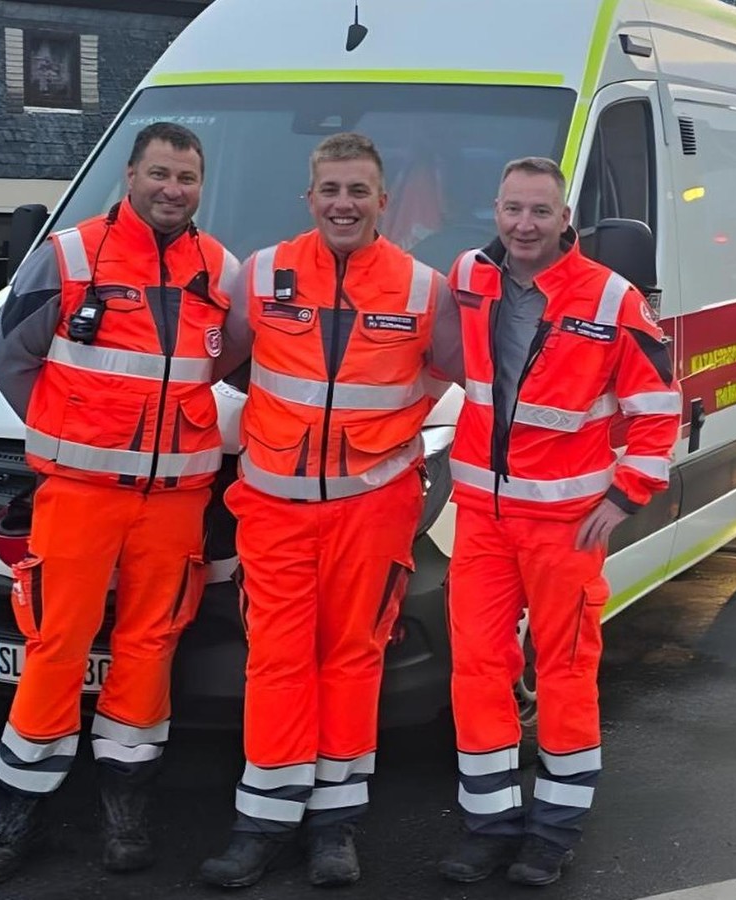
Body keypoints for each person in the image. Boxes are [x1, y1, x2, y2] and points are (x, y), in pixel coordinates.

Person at [0, 122, 246, 884]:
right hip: (80, 497)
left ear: (200, 187)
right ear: (129, 176)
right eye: (159, 173)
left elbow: (227, 368)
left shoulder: (219, 271)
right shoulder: (69, 257)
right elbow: (10, 361)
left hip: (174, 505)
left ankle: (125, 814)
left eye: (186, 178)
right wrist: (69, 437)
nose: (172, 190)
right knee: (56, 646)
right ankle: (13, 820)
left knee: (149, 649)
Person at [198, 132, 464, 889]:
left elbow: (463, 372)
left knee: (352, 664)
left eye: (359, 191)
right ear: (308, 199)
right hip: (275, 508)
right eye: (330, 190)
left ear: (383, 201)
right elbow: (220, 359)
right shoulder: (263, 275)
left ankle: (335, 830)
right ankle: (263, 825)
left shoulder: (423, 288)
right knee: (277, 662)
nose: (343, 204)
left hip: (372, 510)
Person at [435, 157, 681, 886]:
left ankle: (553, 831)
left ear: (566, 218)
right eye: (513, 209)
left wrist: (624, 497)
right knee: (478, 671)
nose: (524, 225)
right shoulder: (470, 277)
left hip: (567, 526)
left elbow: (658, 411)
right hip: (481, 517)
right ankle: (489, 825)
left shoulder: (612, 299)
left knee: (567, 673)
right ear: (497, 209)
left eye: (540, 211)